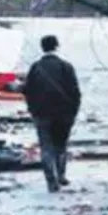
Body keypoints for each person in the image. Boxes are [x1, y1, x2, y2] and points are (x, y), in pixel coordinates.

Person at [22, 35, 81, 193]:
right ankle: (61, 175)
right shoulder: (66, 67)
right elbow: (75, 92)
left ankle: (51, 180)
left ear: (42, 48)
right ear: (57, 46)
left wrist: (33, 110)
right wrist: (73, 112)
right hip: (64, 114)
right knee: (60, 145)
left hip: (42, 114)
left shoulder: (36, 67)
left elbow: (27, 91)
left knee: (46, 147)